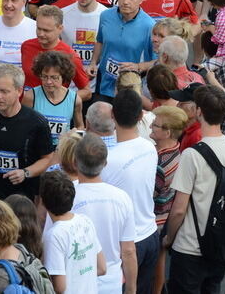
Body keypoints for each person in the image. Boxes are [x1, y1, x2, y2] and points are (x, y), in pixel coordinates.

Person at [162, 84, 225, 293]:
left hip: (189, 246)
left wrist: (168, 238)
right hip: (217, 245)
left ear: (199, 111)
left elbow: (178, 209)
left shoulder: (192, 155)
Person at [0, 63, 55, 200]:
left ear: (19, 91)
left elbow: (47, 158)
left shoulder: (37, 123)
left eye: (4, 91)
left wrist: (25, 172)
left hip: (20, 198)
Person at [104, 89, 160, 294]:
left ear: (112, 115)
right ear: (140, 116)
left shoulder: (109, 160)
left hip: (126, 244)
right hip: (150, 235)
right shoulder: (150, 148)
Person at [69, 133, 137, 294]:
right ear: (105, 163)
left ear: (74, 163)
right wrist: (131, 289)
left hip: (75, 282)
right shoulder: (122, 198)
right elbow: (128, 250)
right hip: (111, 283)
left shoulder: (65, 196)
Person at [41, 169, 107, 294]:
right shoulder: (86, 221)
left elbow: (60, 287)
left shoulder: (54, 235)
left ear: (43, 202)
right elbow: (102, 268)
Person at [91, 0, 155, 101]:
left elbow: (157, 62)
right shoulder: (105, 16)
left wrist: (138, 66)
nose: (125, 1)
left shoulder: (150, 26)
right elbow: (100, 41)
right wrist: (93, 62)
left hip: (130, 91)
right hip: (104, 85)